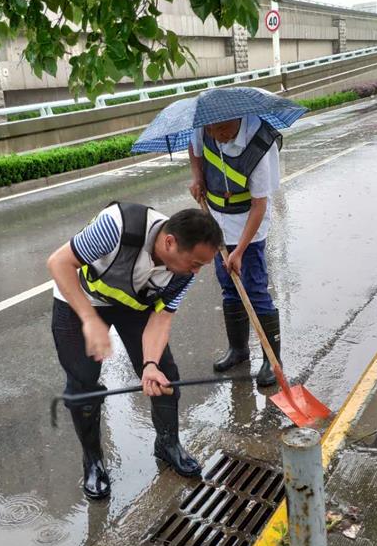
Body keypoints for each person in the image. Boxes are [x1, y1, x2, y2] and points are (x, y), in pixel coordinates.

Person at [48, 202, 222, 500]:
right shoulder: (117, 227)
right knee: (83, 386)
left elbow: (161, 318)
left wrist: (150, 364)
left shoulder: (183, 272)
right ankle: (93, 461)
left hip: (134, 305)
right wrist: (89, 320)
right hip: (81, 300)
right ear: (170, 242)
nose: (197, 271)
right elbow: (58, 262)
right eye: (195, 263)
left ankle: (168, 444)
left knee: (166, 375)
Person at [188, 114, 282, 387]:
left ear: (239, 119)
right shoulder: (203, 128)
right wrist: (197, 177)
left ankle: (272, 360)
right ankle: (238, 350)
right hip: (217, 218)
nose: (221, 135)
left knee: (254, 289)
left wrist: (239, 251)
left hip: (248, 225)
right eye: (215, 130)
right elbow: (195, 148)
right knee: (228, 285)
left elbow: (259, 205)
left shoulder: (258, 146)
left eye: (226, 128)